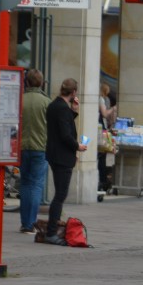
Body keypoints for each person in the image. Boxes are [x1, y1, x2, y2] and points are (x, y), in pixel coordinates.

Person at [44, 78, 87, 244]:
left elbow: (61, 126)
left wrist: (73, 112)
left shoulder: (54, 105)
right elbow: (65, 134)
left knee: (59, 194)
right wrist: (78, 146)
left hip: (54, 154)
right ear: (74, 92)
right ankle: (51, 232)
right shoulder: (62, 108)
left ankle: (52, 229)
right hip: (62, 157)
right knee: (60, 195)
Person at [19, 69, 49, 234]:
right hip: (40, 147)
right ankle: (31, 223)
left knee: (25, 183)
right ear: (41, 83)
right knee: (36, 185)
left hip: (22, 147)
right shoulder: (46, 102)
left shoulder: (20, 100)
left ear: (26, 82)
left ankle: (25, 222)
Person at [97, 82, 116, 192]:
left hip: (101, 128)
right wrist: (113, 109)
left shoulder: (102, 99)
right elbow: (104, 113)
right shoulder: (101, 99)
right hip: (101, 129)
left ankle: (103, 179)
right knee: (102, 155)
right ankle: (103, 180)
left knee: (102, 155)